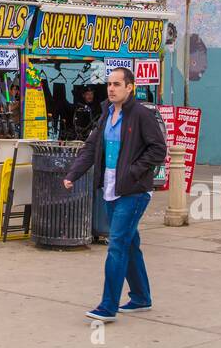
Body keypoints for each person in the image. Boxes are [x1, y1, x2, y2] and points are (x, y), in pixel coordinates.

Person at [62, 67, 167, 322]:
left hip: (134, 191)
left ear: (130, 87)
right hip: (110, 187)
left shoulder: (141, 114)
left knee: (117, 245)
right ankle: (141, 297)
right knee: (129, 243)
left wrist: (133, 171)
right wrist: (72, 174)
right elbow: (91, 148)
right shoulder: (106, 113)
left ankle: (108, 306)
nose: (111, 88)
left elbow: (158, 149)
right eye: (109, 84)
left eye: (117, 84)